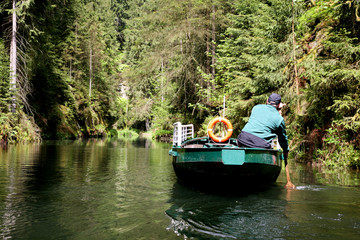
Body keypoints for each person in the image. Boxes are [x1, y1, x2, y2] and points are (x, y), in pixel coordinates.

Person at [237, 93, 295, 189]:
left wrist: (277, 110)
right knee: (268, 147)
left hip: (242, 139)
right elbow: (282, 138)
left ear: (267, 101)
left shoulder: (256, 108)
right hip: (259, 144)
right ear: (279, 105)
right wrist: (286, 150)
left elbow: (263, 118)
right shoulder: (279, 119)